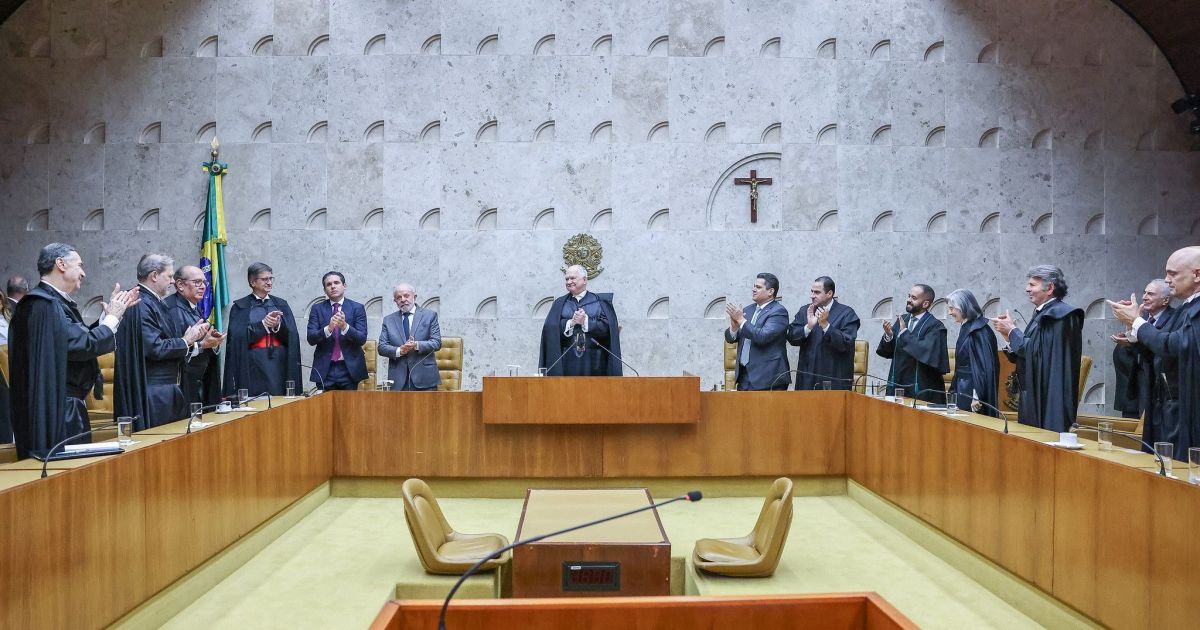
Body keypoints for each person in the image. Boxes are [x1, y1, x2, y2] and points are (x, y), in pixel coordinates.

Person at [8, 243, 139, 459]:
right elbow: (81, 346)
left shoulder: (52, 303)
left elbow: (75, 339)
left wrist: (111, 318)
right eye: (80, 265)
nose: (83, 273)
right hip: (57, 408)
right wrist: (113, 318)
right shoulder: (43, 304)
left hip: (64, 403)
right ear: (60, 264)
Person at [1109, 247, 1200, 458]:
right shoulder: (1186, 308)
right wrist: (1134, 337)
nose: (1167, 280)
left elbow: (1174, 345)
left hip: (1186, 406)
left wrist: (1137, 322)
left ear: (1197, 274)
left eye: (1173, 274)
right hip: (1168, 404)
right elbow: (1162, 347)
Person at [114, 254, 211, 430]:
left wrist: (193, 340)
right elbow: (154, 348)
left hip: (166, 390)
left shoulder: (156, 302)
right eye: (169, 276)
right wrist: (186, 340)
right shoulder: (141, 303)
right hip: (153, 393)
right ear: (154, 276)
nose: (173, 282)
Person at [991, 265, 1084, 432]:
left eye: (1032, 285)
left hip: (1049, 395)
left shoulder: (1060, 316)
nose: (1027, 289)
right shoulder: (1043, 313)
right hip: (1033, 392)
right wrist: (1008, 336)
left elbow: (1038, 354)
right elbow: (1029, 352)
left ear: (1049, 288)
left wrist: (1012, 331)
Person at [1111, 279, 1179, 453]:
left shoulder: (1175, 318)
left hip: (1162, 391)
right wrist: (1130, 331)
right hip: (1138, 388)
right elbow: (1131, 357)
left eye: (1151, 294)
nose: (1145, 297)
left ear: (1165, 300)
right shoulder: (1144, 318)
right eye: (1144, 293)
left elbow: (1163, 350)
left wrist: (1136, 324)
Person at [224, 263, 302, 396]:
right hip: (252, 364)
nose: (269, 282)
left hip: (279, 363)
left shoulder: (281, 304)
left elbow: (292, 336)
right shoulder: (240, 307)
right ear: (253, 282)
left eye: (271, 278)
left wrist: (277, 326)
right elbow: (237, 339)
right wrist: (263, 325)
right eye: (265, 279)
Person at [538, 265, 623, 376]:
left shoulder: (600, 302)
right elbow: (550, 330)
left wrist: (586, 322)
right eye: (567, 279)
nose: (569, 281)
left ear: (584, 280)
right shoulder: (559, 303)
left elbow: (608, 329)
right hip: (566, 360)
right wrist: (571, 323)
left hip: (595, 360)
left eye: (572, 278)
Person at [877, 284, 949, 403]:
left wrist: (905, 333)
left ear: (925, 304)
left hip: (921, 388)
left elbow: (926, 353)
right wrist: (889, 336)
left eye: (914, 298)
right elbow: (887, 352)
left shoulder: (935, 327)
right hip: (897, 383)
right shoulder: (902, 320)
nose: (908, 300)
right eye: (909, 296)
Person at [163, 265, 224, 407]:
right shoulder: (172, 309)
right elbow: (173, 348)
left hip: (198, 380)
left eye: (204, 282)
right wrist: (203, 344)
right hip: (182, 383)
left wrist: (213, 341)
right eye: (197, 282)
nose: (203, 287)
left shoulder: (193, 307)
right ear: (180, 285)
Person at [786, 276, 860, 390]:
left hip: (833, 379)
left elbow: (845, 343)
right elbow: (791, 336)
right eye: (811, 291)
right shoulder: (805, 311)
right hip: (806, 378)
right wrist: (808, 327)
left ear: (829, 293)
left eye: (817, 292)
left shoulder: (846, 313)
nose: (812, 295)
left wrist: (826, 325)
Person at [724, 273, 790, 390]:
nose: (753, 289)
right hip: (744, 376)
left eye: (758, 287)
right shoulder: (748, 310)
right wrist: (734, 327)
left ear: (770, 291)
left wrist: (740, 320)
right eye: (754, 286)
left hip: (768, 378)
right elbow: (730, 338)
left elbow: (762, 337)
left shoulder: (779, 312)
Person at [306, 271, 368, 391]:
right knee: (325, 409)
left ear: (344, 286)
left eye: (336, 283)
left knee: (350, 408)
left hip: (349, 369)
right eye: (328, 284)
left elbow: (361, 339)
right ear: (325, 290)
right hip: (325, 369)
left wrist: (344, 326)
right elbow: (311, 338)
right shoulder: (317, 309)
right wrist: (328, 328)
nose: (333, 286)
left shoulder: (357, 308)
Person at [946, 289, 1000, 416]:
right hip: (962, 389)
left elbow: (983, 367)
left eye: (952, 308)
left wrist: (977, 396)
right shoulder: (968, 327)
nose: (950, 313)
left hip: (973, 396)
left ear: (963, 307)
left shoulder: (979, 331)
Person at [379, 283, 442, 391]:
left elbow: (437, 343)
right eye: (399, 297)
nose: (403, 299)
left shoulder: (430, 316)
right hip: (398, 380)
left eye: (406, 295)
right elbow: (381, 347)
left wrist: (416, 344)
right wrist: (400, 350)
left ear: (414, 297)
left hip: (425, 378)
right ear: (395, 301)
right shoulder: (388, 320)